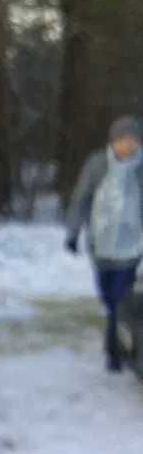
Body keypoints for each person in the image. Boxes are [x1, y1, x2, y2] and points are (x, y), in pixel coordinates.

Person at [65, 116, 143, 373]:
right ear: (113, 141)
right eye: (123, 140)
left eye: (133, 141)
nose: (128, 146)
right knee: (107, 297)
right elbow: (81, 198)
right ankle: (116, 338)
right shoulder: (98, 165)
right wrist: (73, 232)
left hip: (131, 245)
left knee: (121, 298)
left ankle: (115, 349)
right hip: (100, 243)